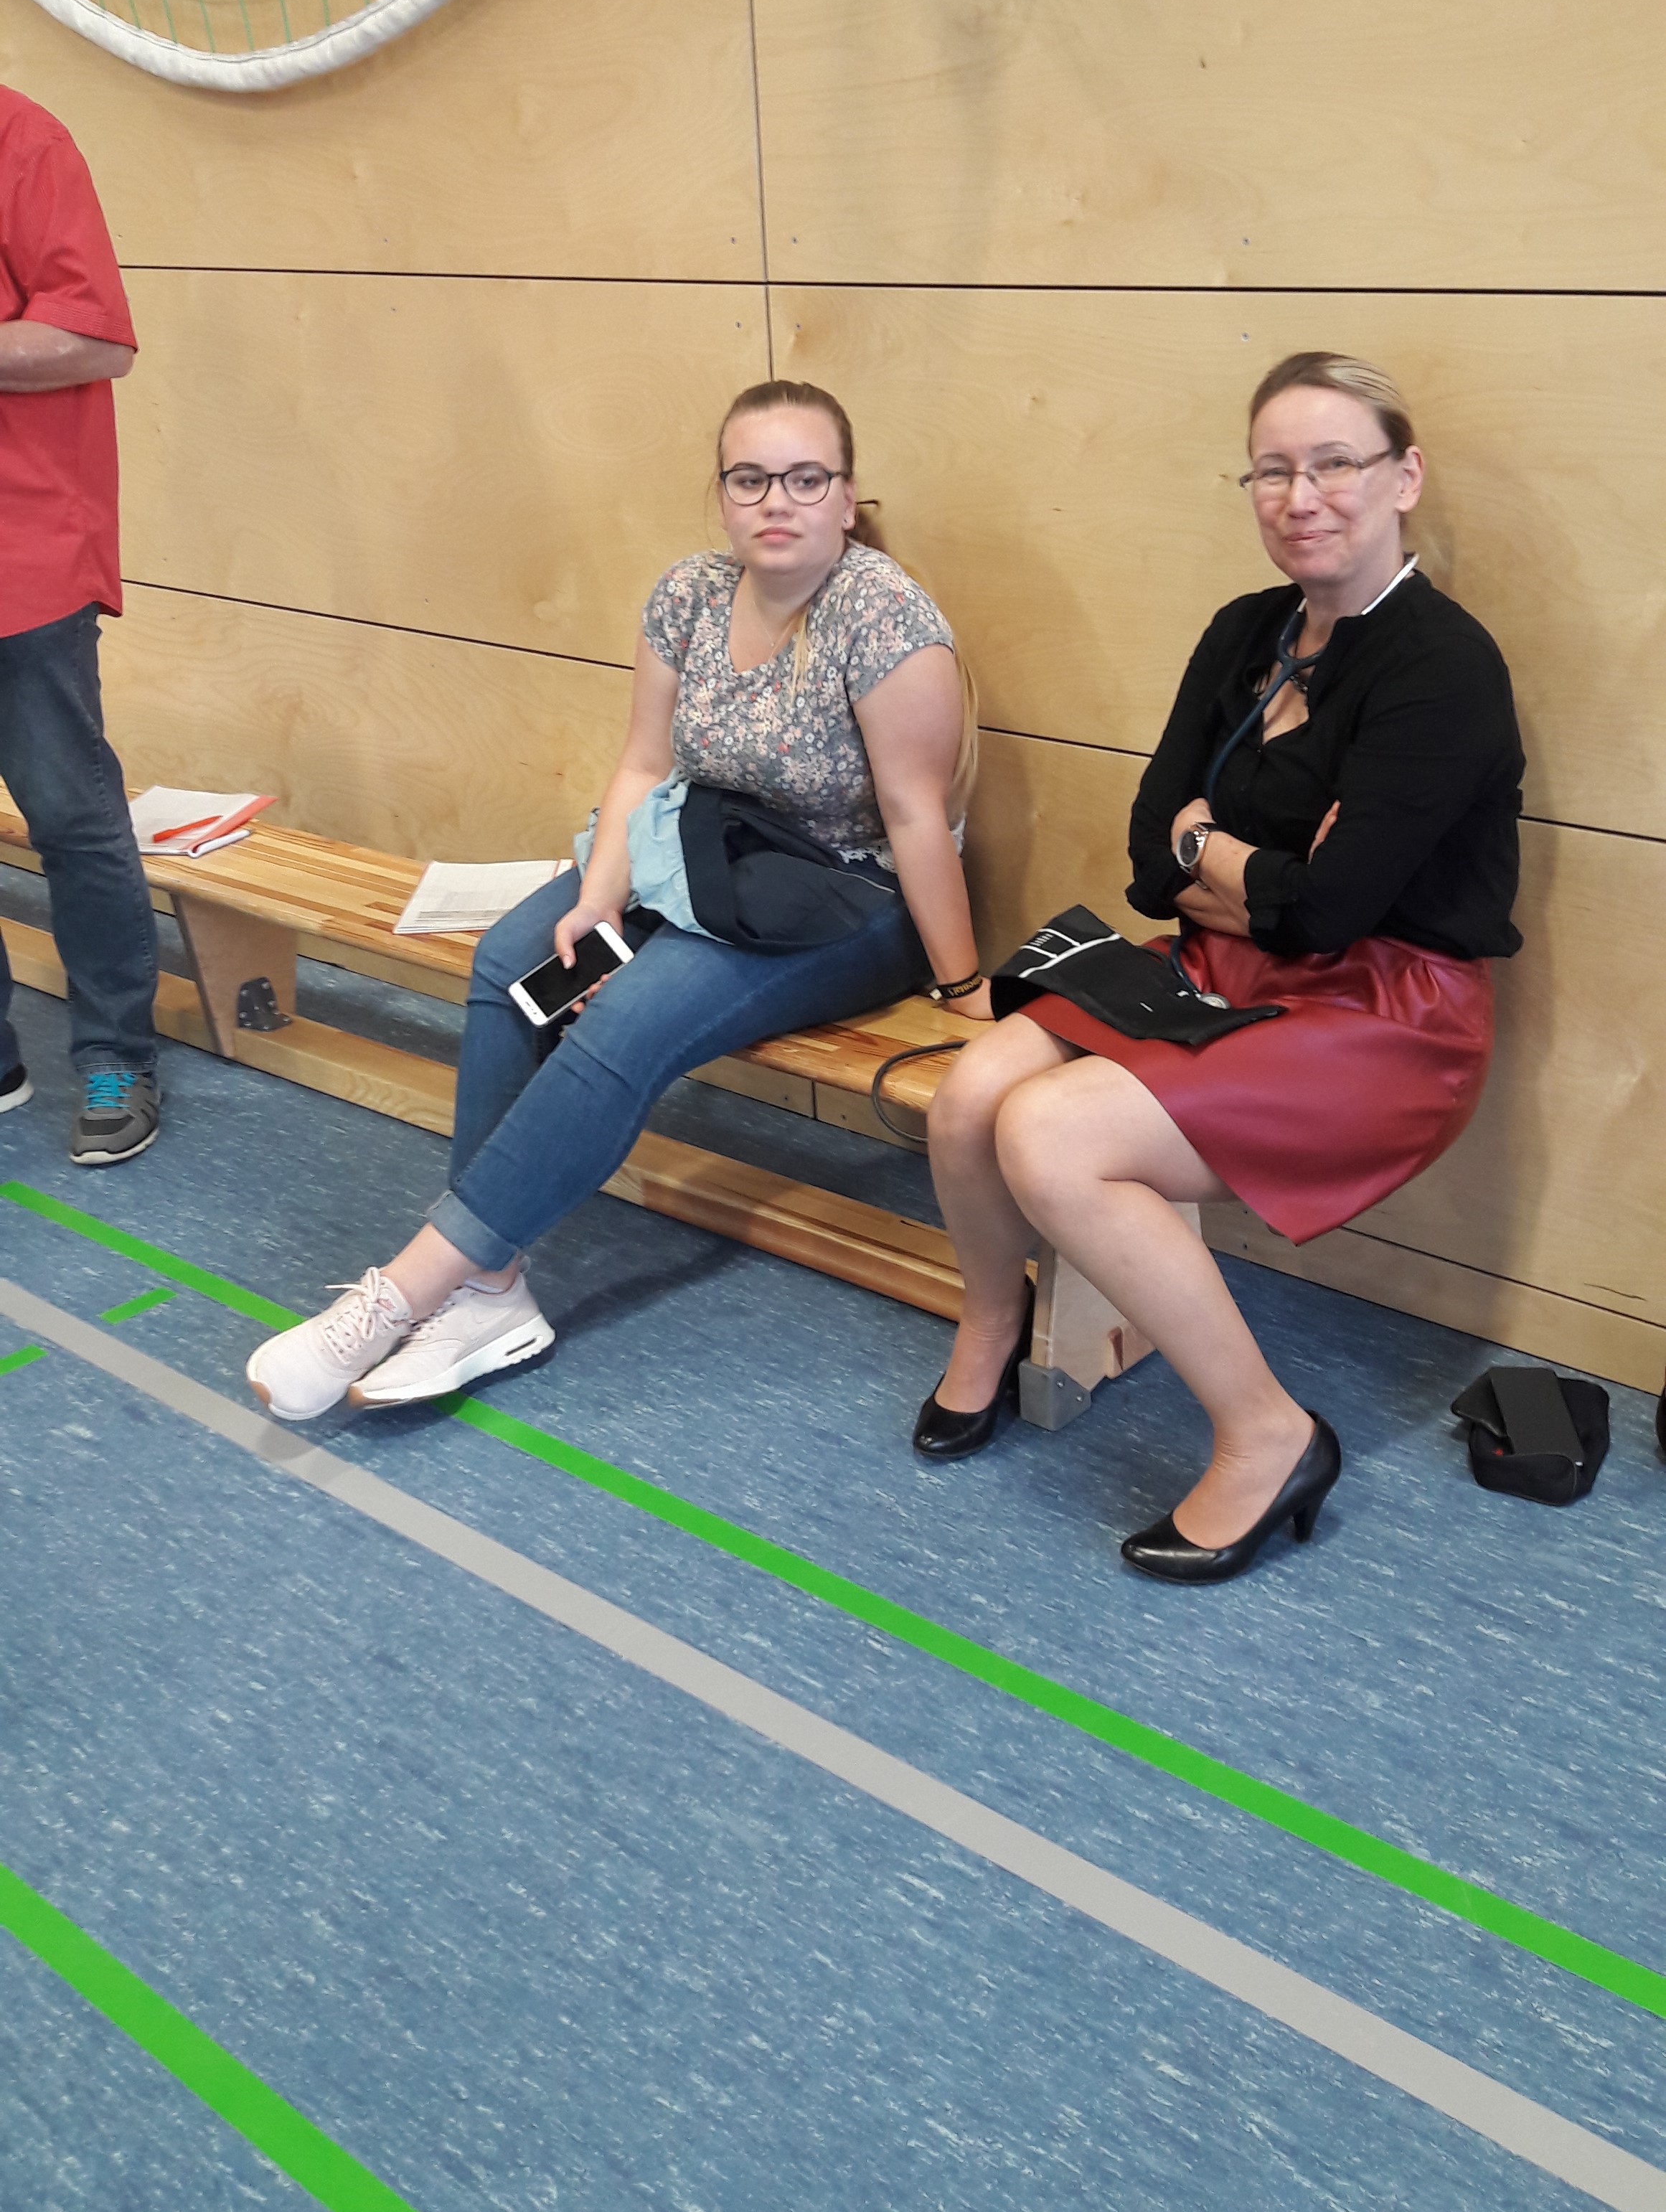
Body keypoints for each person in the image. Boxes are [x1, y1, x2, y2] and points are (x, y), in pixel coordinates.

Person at [250, 378, 992, 1419]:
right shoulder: (688, 594)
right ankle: (491, 1288)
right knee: (518, 964)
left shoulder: (885, 617)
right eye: (750, 479)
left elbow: (915, 817)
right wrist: (596, 900)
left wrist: (962, 988)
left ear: (845, 494)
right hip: (703, 864)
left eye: (804, 478)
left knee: (629, 1016)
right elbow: (644, 765)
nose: (776, 501)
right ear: (722, 494)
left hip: (848, 896)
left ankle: (405, 1291)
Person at [921, 352, 1523, 1582]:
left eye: (1335, 464)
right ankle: (993, 1321)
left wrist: (1219, 849)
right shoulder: (1245, 629)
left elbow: (1332, 913)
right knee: (968, 1093)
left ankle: (1270, 1434)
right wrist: (1241, 867)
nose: (1300, 497)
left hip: (1385, 1013)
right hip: (1219, 963)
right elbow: (1151, 854)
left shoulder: (1442, 667)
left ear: (1403, 476)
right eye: (1272, 470)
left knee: (1049, 1136)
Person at [0, 87, 161, 1164]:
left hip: (22, 554)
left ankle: (116, 1057)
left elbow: (97, 338)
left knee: (71, 818)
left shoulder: (21, 138)